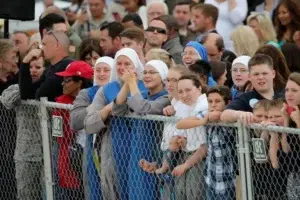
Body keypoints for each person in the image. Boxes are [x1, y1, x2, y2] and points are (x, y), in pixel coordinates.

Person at [84, 48, 146, 200]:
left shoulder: (147, 87)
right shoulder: (106, 90)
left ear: (136, 66)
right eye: (119, 63)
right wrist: (106, 109)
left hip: (143, 145)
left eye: (127, 63)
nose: (122, 67)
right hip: (114, 148)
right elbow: (89, 124)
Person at [112, 59, 170, 200]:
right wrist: (127, 84)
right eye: (144, 72)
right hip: (137, 153)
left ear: (162, 76)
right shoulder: (142, 95)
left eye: (152, 72)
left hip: (154, 155)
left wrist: (132, 84)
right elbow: (118, 109)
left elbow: (143, 108)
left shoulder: (165, 98)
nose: (147, 75)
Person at [176, 86, 236, 200]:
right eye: (210, 101)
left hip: (228, 179)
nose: (213, 104)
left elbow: (225, 117)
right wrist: (203, 121)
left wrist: (216, 116)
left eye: (218, 101)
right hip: (211, 177)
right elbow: (180, 124)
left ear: (228, 103)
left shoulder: (229, 116)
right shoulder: (207, 114)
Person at [70, 56, 114, 200]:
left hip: (115, 148)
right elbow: (75, 121)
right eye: (98, 70)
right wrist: (96, 106)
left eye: (106, 70)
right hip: (92, 147)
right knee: (94, 188)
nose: (101, 74)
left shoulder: (121, 92)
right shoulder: (86, 93)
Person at [1, 54, 45, 200]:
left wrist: (40, 86)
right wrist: (26, 87)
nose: (33, 71)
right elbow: (6, 101)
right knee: (26, 195)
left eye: (38, 67)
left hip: (48, 153)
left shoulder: (50, 88)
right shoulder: (16, 87)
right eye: (30, 67)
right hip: (25, 153)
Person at [53, 61, 93, 200]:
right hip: (70, 161)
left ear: (80, 82)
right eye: (63, 80)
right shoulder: (60, 105)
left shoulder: (96, 100)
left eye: (67, 80)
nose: (63, 84)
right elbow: (58, 135)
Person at [221, 54, 282, 124]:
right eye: (256, 74)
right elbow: (224, 115)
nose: (260, 77)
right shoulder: (245, 98)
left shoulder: (283, 97)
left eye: (265, 73)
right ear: (249, 76)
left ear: (273, 74)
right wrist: (239, 114)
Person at [19, 31, 74, 102]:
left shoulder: (67, 65)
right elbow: (26, 95)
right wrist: (25, 62)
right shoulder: (50, 69)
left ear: (57, 46)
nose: (40, 48)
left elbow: (41, 94)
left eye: (44, 44)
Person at [283, 72, 300, 200]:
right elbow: (286, 148)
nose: (289, 93)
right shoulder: (290, 113)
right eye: (287, 90)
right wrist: (285, 120)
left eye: (294, 90)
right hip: (294, 173)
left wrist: (299, 122)